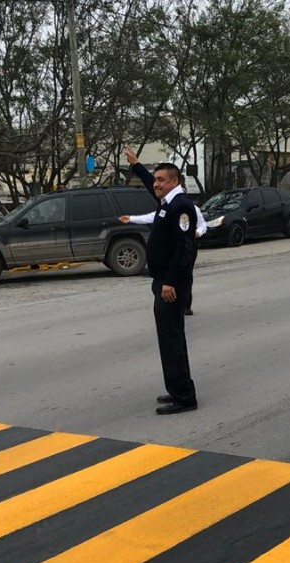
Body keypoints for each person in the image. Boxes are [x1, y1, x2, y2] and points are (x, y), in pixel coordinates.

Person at [123, 146, 198, 415]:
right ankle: (177, 388)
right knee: (167, 339)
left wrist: (170, 282)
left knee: (173, 338)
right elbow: (150, 186)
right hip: (163, 281)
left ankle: (185, 397)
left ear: (175, 182)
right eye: (155, 180)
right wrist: (137, 166)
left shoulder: (181, 207)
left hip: (171, 284)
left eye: (161, 180)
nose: (156, 184)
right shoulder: (168, 202)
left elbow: (185, 250)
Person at [120, 197, 208, 316]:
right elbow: (151, 217)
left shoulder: (190, 208)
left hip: (188, 246)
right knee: (171, 273)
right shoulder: (166, 208)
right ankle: (173, 302)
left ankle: (186, 304)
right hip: (171, 247)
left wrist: (197, 233)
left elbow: (203, 225)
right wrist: (131, 218)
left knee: (185, 275)